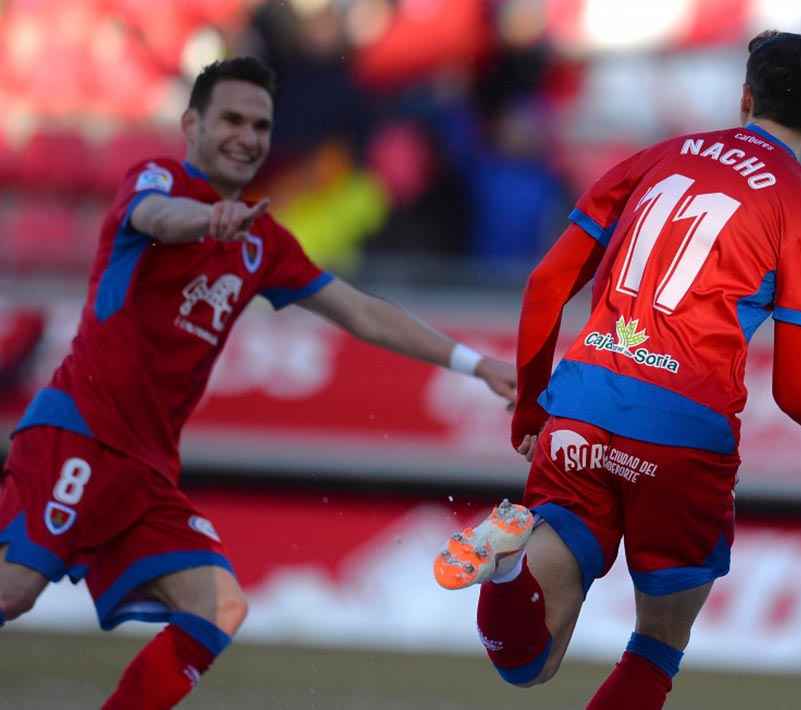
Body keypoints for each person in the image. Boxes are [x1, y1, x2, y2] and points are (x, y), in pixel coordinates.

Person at [0, 57, 515, 709]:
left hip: (146, 471)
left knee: (217, 607)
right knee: (14, 590)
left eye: (261, 125)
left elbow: (361, 312)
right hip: (79, 437)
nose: (247, 136)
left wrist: (475, 363)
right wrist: (205, 221)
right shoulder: (155, 181)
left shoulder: (261, 241)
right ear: (192, 124)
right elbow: (158, 218)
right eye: (232, 120)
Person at [434, 31, 801, 709]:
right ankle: (525, 573)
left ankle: (509, 566)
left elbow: (545, 284)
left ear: (745, 96)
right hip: (683, 435)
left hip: (583, 407)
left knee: (528, 663)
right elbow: (800, 392)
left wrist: (531, 411)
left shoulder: (658, 157)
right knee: (655, 650)